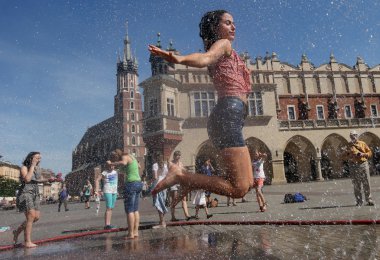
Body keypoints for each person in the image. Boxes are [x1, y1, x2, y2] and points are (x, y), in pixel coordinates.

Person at [149, 10, 253, 202]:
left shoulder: (227, 51)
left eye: (233, 23)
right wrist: (178, 59)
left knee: (246, 184)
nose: (233, 26)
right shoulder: (223, 45)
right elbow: (205, 58)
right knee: (239, 188)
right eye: (228, 23)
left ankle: (190, 180)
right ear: (216, 28)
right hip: (228, 115)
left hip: (229, 117)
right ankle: (182, 176)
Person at [13, 152, 49, 248]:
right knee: (31, 216)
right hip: (25, 193)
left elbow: (38, 180)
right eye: (37, 158)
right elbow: (28, 179)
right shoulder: (24, 168)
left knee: (36, 217)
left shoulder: (38, 169)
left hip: (35, 194)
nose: (39, 160)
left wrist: (50, 179)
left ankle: (17, 232)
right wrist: (32, 166)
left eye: (40, 158)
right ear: (31, 158)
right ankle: (27, 241)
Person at [107, 150, 142, 239]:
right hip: (138, 183)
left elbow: (123, 162)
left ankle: (130, 234)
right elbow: (139, 166)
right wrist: (113, 166)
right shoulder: (132, 157)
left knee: (129, 210)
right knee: (135, 209)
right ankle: (135, 232)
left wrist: (113, 163)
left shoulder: (124, 157)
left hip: (131, 184)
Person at [342, 130, 375, 206]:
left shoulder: (362, 144)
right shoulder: (348, 145)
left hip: (363, 164)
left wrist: (363, 154)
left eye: (354, 135)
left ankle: (369, 200)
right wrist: (347, 153)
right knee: (356, 185)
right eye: (351, 136)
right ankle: (359, 201)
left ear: (357, 136)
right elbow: (343, 157)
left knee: (366, 183)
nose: (352, 137)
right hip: (353, 165)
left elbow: (370, 153)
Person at [95, 152, 119, 230]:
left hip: (114, 191)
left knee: (111, 207)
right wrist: (97, 190)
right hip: (107, 190)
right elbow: (97, 180)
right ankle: (107, 225)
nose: (112, 167)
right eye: (110, 166)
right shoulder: (105, 172)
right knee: (108, 207)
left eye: (113, 165)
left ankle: (109, 223)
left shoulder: (116, 171)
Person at [170, 151, 193, 221]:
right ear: (174, 156)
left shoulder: (181, 164)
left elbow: (183, 171)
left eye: (179, 155)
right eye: (177, 155)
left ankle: (187, 215)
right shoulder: (171, 163)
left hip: (181, 183)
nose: (178, 157)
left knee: (184, 199)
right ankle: (173, 217)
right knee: (174, 200)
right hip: (173, 183)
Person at [151, 155, 169, 228]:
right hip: (164, 186)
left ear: (156, 158)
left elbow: (155, 177)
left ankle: (162, 222)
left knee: (159, 204)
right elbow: (167, 176)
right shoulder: (165, 166)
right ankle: (162, 220)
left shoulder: (155, 165)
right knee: (162, 203)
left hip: (158, 186)